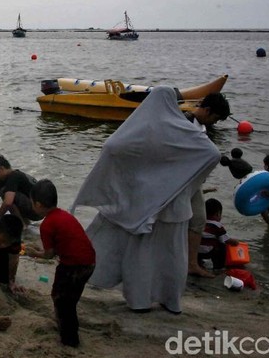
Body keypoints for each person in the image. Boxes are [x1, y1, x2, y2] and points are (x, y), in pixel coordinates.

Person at [71, 87, 221, 314]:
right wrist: (183, 182)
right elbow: (212, 154)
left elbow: (112, 146)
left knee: (141, 256)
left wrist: (128, 179)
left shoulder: (142, 128)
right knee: (171, 256)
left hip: (142, 203)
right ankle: (171, 301)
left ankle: (139, 301)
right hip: (174, 207)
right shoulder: (183, 131)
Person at [24, 180, 95, 347]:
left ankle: (70, 341)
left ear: (38, 204)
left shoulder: (47, 224)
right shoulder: (64, 215)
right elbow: (63, 244)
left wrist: (34, 253)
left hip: (73, 266)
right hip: (89, 262)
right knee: (70, 298)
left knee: (61, 300)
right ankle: (69, 327)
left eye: (32, 203)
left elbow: (48, 255)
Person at [184, 93, 231, 278]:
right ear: (208, 110)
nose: (215, 123)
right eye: (216, 118)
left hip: (193, 181)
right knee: (194, 219)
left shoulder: (201, 125)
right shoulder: (185, 122)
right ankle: (190, 263)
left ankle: (191, 262)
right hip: (183, 181)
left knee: (197, 220)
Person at [0, 155, 39, 225]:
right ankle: (25, 222)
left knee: (5, 194)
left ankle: (21, 224)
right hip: (39, 208)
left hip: (37, 211)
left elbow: (8, 202)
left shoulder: (14, 177)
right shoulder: (10, 175)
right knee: (4, 191)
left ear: (1, 169)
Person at [198, 198, 239, 270]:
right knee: (222, 245)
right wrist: (235, 242)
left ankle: (199, 263)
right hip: (208, 252)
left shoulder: (199, 222)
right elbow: (226, 240)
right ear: (218, 213)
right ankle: (219, 266)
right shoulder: (217, 225)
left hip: (196, 251)